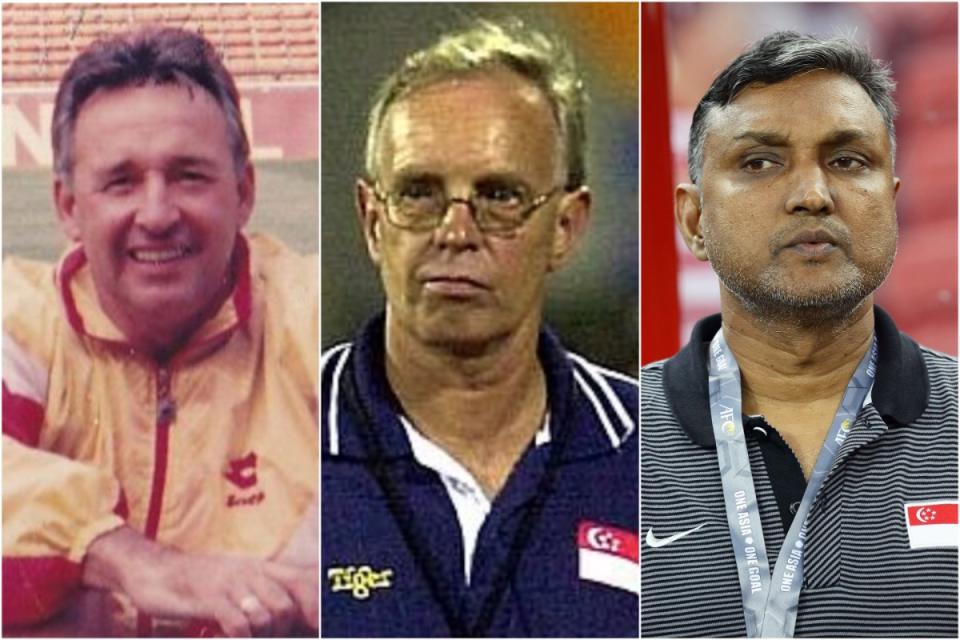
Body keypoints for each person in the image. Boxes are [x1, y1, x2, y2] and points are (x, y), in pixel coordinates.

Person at [321, 19, 638, 637]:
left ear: (567, 227)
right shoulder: (272, 453)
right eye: (418, 193)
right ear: (371, 220)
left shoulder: (666, 466)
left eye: (499, 196)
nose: (456, 232)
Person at [2, 27, 318, 637]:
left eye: (189, 176)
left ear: (244, 192)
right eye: (121, 181)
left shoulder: (308, 314)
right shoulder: (20, 318)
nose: (156, 214)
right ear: (69, 207)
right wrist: (123, 558)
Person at [641, 31, 957, 637]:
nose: (813, 195)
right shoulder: (619, 439)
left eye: (847, 160)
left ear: (892, 204)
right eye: (760, 162)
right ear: (694, 219)